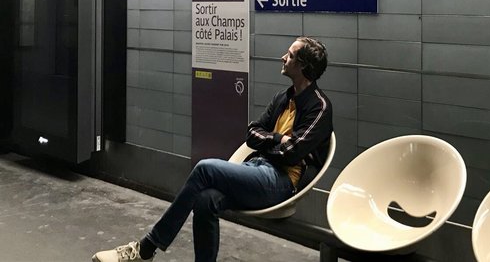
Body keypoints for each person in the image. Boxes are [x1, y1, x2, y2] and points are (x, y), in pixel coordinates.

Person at [92, 36, 332, 262]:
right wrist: (278, 138)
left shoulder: (319, 107)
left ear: (302, 67)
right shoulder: (283, 97)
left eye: (289, 56)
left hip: (281, 182)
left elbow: (292, 152)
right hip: (256, 169)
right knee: (206, 200)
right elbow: (252, 133)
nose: (282, 58)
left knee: (205, 168)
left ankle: (146, 249)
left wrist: (271, 143)